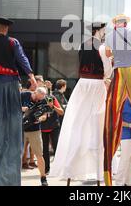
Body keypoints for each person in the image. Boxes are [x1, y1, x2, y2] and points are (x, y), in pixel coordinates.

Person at [50, 22, 112, 185]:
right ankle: (99, 174)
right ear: (99, 31)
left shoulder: (82, 45)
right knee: (98, 127)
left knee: (77, 126)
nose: (105, 33)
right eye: (104, 30)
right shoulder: (102, 47)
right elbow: (107, 72)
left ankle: (71, 170)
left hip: (82, 85)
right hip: (97, 85)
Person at [0, 17, 37, 186]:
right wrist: (32, 77)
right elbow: (22, 59)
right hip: (9, 85)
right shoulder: (13, 42)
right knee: (11, 130)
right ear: (6, 29)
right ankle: (9, 180)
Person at [103, 14, 131, 186]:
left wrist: (116, 51)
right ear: (126, 23)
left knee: (113, 104)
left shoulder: (109, 36)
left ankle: (110, 178)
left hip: (119, 69)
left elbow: (108, 54)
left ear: (115, 24)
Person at [21, 87, 49, 186]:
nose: (38, 100)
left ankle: (43, 178)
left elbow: (45, 115)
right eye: (37, 98)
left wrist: (40, 119)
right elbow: (11, 106)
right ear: (35, 92)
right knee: (17, 154)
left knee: (39, 154)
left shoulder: (43, 100)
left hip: (35, 130)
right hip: (20, 129)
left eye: (40, 99)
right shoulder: (24, 95)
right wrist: (22, 109)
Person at [40, 90, 64, 175]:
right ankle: (46, 169)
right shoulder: (37, 101)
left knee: (56, 147)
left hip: (54, 127)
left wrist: (53, 106)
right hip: (42, 128)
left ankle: (60, 168)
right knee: (44, 149)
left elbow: (61, 112)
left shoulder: (52, 98)